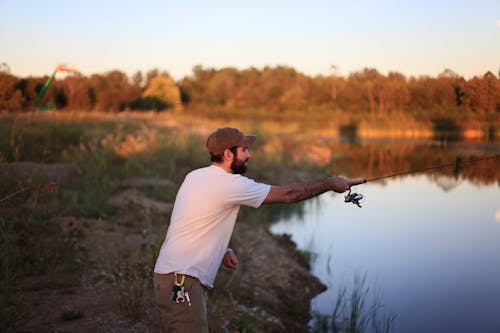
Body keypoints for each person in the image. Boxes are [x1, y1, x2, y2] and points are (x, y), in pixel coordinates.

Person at [153, 127, 365, 332]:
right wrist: (329, 184)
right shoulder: (230, 184)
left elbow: (191, 220)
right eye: (244, 150)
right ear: (228, 154)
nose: (249, 155)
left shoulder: (196, 176)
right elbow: (288, 194)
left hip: (174, 276)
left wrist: (222, 249)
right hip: (181, 280)